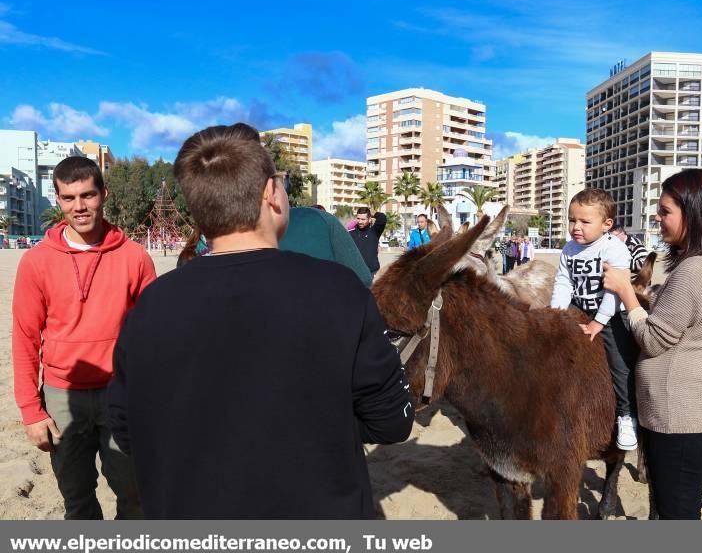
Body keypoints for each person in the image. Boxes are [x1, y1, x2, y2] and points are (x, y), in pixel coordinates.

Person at [107, 123, 413, 519]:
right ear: (271, 194)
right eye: (282, 182)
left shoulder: (152, 304)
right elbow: (392, 421)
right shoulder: (338, 291)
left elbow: (127, 426)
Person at [12, 156, 156, 519]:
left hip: (120, 392)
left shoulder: (135, 257)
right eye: (69, 198)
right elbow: (26, 338)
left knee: (135, 495)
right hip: (62, 397)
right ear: (58, 199)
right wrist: (31, 411)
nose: (79, 206)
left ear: (103, 194)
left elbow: (152, 335)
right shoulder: (36, 261)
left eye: (88, 195)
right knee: (77, 500)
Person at [603, 168, 702, 520]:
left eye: (665, 211)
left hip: (680, 419)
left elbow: (653, 339)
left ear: (692, 215)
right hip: (693, 415)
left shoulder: (695, 270)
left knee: (675, 514)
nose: (657, 217)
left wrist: (625, 293)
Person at [551, 188, 637, 451]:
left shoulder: (615, 249)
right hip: (579, 307)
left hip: (610, 314)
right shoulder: (569, 249)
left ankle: (626, 415)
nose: (576, 227)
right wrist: (555, 314)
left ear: (607, 224)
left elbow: (614, 291)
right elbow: (564, 282)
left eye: (585, 221)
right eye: (572, 220)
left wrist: (598, 322)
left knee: (620, 365)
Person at [279, 206, 373, 288]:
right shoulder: (327, 221)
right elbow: (363, 279)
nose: (360, 221)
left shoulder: (279, 226)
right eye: (358, 218)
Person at [349, 206, 386, 276]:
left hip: (371, 272)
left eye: (363, 219)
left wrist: (373, 213)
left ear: (369, 219)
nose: (360, 222)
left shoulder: (374, 232)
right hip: (355, 273)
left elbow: (382, 218)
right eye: (358, 219)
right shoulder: (351, 233)